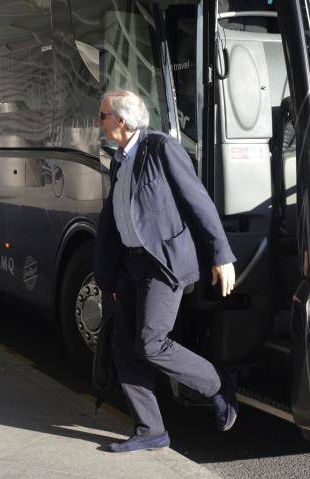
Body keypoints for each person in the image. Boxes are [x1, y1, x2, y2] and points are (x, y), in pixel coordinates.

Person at [94, 89, 238, 453]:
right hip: (130, 263)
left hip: (163, 261)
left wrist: (222, 255)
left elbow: (197, 199)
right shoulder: (119, 159)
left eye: (102, 116)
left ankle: (217, 384)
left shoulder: (160, 148)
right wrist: (110, 275)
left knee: (150, 342)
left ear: (122, 122)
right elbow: (115, 218)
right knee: (123, 344)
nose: (99, 122)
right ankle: (150, 429)